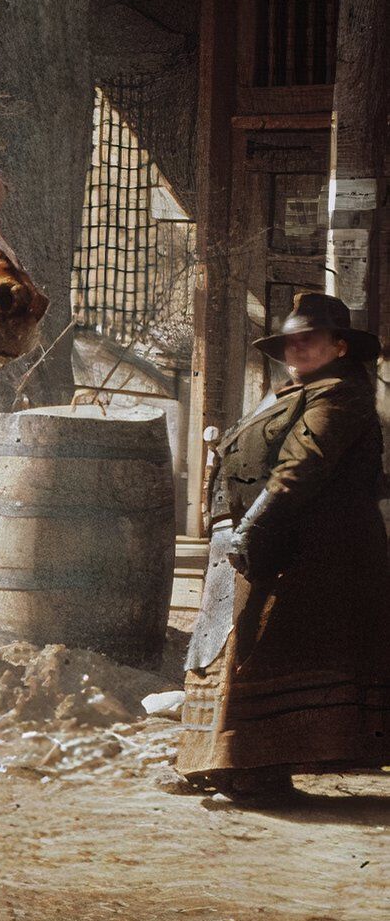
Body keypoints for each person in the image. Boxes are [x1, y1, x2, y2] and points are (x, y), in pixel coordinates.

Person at [164, 293, 390, 804]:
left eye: (308, 340)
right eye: (290, 341)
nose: (296, 349)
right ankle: (215, 763)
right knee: (231, 649)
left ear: (338, 346)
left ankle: (256, 769)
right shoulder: (295, 392)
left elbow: (301, 464)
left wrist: (255, 524)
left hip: (315, 547)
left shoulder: (341, 394)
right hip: (275, 540)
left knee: (267, 656)